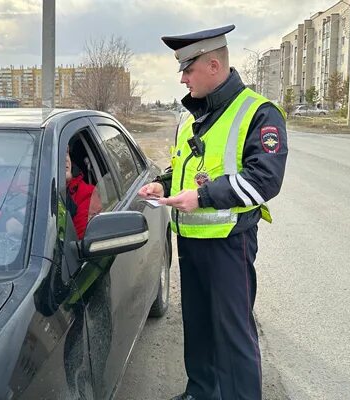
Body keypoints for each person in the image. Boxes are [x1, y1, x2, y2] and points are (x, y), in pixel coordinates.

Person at [138, 24, 288, 400]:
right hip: (191, 241)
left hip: (229, 243)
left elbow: (264, 180)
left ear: (214, 66)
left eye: (188, 70)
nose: (184, 79)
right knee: (199, 326)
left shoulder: (258, 113)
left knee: (233, 333)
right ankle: (201, 392)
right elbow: (186, 169)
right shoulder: (190, 118)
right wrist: (165, 185)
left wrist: (202, 198)